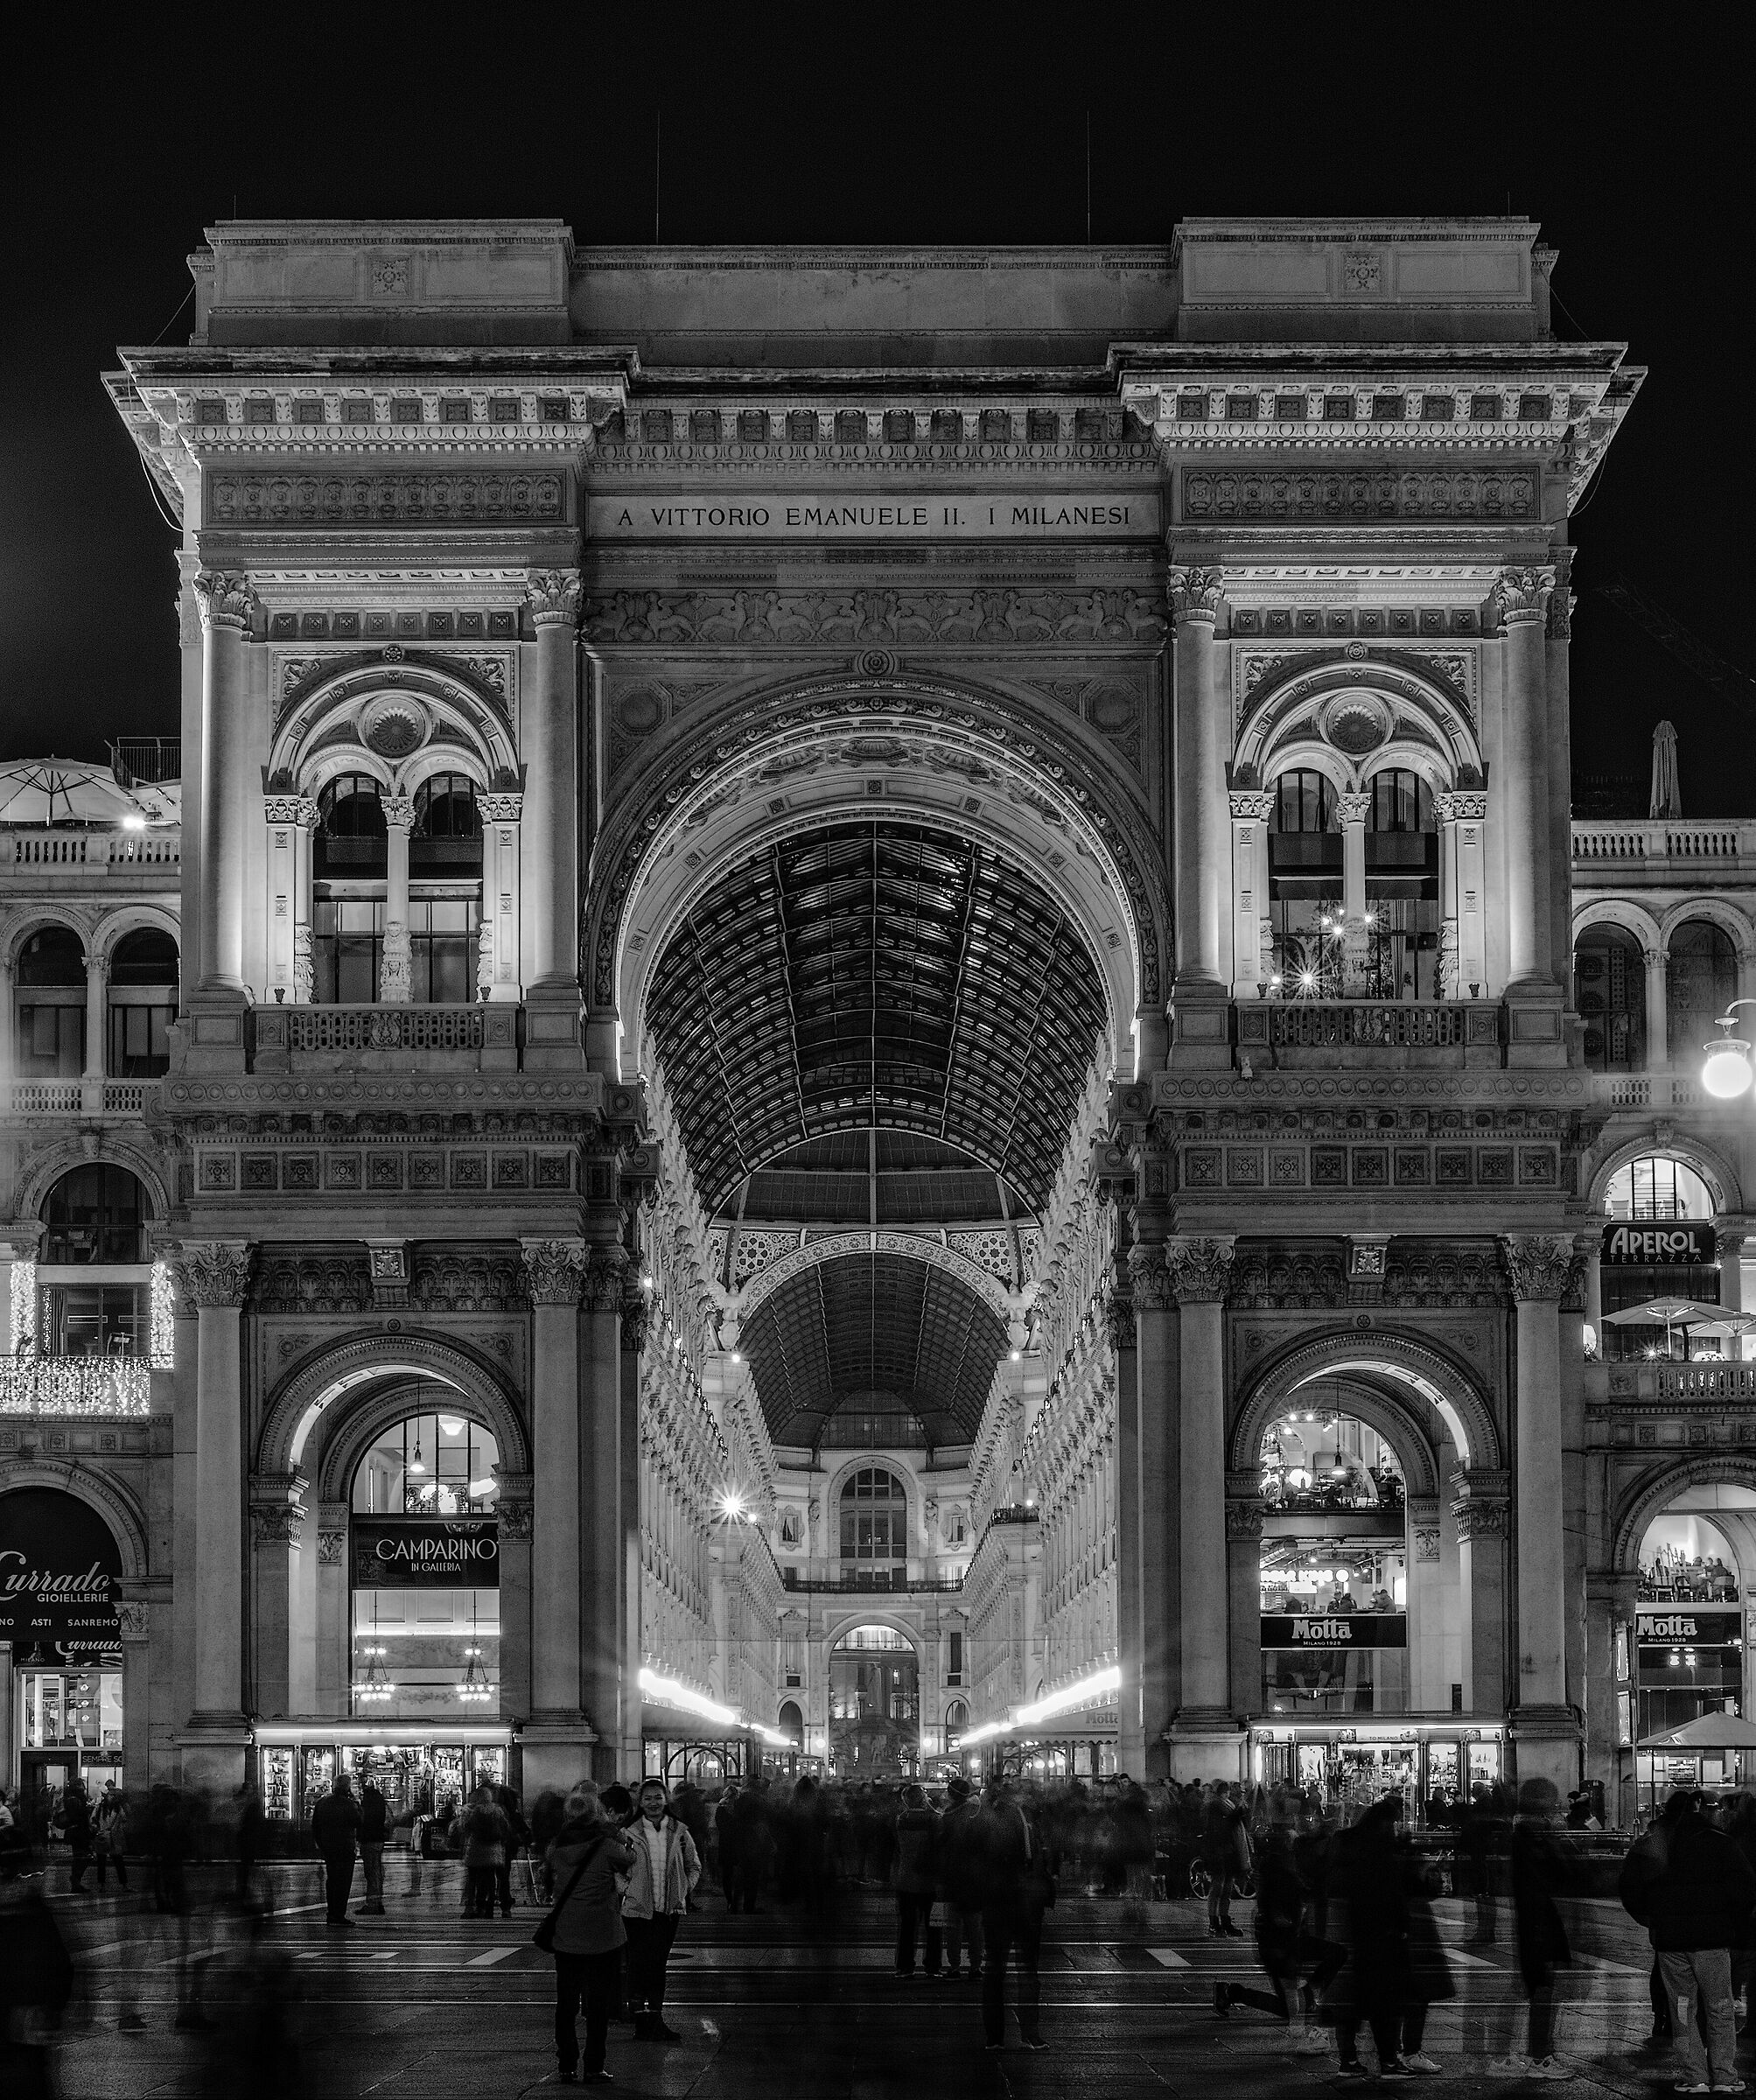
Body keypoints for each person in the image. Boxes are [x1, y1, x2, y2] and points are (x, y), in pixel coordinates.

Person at [1638, 1785, 1756, 2095]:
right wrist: (1730, 1922)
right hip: (1712, 1942)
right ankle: (1725, 2076)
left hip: (1672, 1943)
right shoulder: (1722, 1843)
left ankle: (1695, 2077)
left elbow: (1633, 1884)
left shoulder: (1660, 1841)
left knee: (1682, 2009)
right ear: (1704, 1810)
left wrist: (1653, 1919)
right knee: (1720, 2007)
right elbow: (1745, 1890)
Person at [1212, 1812, 1342, 2054]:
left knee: (1335, 1956)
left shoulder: (1286, 1865)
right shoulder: (1278, 1871)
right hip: (1280, 1943)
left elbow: (1307, 1888)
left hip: (1288, 1940)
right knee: (1289, 2002)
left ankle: (1307, 1995)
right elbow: (1280, 1910)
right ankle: (1233, 1992)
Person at [545, 1784, 636, 2086]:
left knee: (566, 2003)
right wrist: (616, 1834)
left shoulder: (557, 1846)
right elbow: (630, 1859)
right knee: (598, 2005)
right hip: (602, 1933)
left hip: (567, 1933)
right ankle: (594, 2066)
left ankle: (566, 2064)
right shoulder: (606, 1844)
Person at [1492, 1777, 1576, 2082]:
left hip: (1534, 1920)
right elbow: (1564, 1874)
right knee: (1541, 1990)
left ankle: (1531, 2053)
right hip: (1538, 1921)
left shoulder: (1522, 1836)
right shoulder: (1533, 1838)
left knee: (1536, 1989)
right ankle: (1538, 2056)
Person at [1329, 1795, 1413, 2081]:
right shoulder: (1379, 1853)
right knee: (1384, 2002)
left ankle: (1348, 2059)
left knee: (1351, 1999)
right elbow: (1392, 1893)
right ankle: (1389, 2061)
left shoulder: (1349, 1846)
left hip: (1350, 1931)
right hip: (1379, 1934)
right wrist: (1400, 1925)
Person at [621, 1778, 702, 2042]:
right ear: (640, 1802)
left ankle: (655, 2019)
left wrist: (683, 1890)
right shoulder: (629, 1833)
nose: (653, 1803)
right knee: (638, 1966)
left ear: (666, 1800)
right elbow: (614, 1868)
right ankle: (641, 2021)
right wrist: (627, 1889)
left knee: (658, 1966)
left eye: (658, 1797)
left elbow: (693, 1865)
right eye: (648, 1798)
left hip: (667, 1911)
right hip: (637, 1910)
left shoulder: (680, 1832)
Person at [973, 1775, 1048, 2051]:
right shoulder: (1016, 1821)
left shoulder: (993, 1819)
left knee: (997, 1969)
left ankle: (996, 2036)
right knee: (1024, 1969)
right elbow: (1029, 1859)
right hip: (1016, 1899)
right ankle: (1028, 2033)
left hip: (1002, 1900)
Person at [939, 1775, 985, 1982]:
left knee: (953, 1926)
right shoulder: (977, 1813)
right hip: (975, 1877)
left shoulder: (947, 1816)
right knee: (975, 1926)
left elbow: (940, 1846)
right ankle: (975, 1965)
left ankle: (955, 1965)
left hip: (952, 1877)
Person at [894, 1782, 941, 1978]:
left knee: (907, 1926)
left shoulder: (901, 1819)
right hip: (931, 1881)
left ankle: (905, 1967)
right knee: (934, 1927)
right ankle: (933, 1966)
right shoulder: (933, 1819)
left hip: (906, 1878)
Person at [310, 1771, 362, 1928]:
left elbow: (315, 1825)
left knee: (332, 1880)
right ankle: (338, 1914)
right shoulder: (349, 1804)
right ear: (347, 1788)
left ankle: (332, 1913)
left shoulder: (322, 1802)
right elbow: (358, 1821)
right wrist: (356, 1803)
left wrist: (321, 1843)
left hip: (329, 1846)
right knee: (343, 1881)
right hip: (345, 1846)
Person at [461, 1782, 511, 1919]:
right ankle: (490, 1908)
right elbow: (506, 1829)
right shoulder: (498, 1811)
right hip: (494, 1850)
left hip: (477, 1849)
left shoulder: (475, 1811)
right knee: (491, 1880)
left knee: (475, 1880)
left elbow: (467, 1828)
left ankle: (477, 1907)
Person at [357, 1780, 388, 1916]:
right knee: (375, 1873)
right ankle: (377, 1902)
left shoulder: (367, 1810)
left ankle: (373, 1904)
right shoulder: (380, 1807)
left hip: (370, 1841)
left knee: (371, 1873)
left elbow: (361, 1822)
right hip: (377, 1840)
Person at [93, 1782, 129, 1893]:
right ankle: (102, 1885)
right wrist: (98, 1830)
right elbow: (93, 1821)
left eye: (114, 1796)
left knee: (118, 1862)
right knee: (102, 1862)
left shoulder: (118, 1808)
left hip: (114, 1837)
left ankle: (123, 1884)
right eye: (111, 1795)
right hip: (104, 1836)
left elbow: (125, 1819)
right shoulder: (100, 1808)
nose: (112, 1797)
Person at [62, 1781, 93, 1894]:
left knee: (80, 1857)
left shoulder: (70, 1799)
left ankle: (76, 1881)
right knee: (84, 1857)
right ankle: (75, 1879)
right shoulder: (76, 1801)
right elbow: (78, 1817)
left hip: (75, 1832)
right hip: (79, 1833)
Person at [714, 1785, 743, 1908]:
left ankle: (730, 1901)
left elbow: (720, 1827)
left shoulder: (721, 1810)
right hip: (738, 1844)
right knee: (738, 1874)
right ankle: (735, 1900)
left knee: (727, 1875)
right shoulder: (739, 1809)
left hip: (725, 1845)